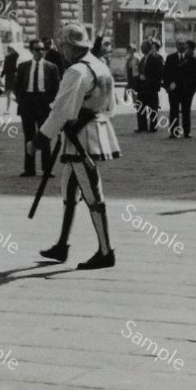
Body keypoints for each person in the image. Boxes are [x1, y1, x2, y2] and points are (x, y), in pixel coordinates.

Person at [32, 22, 122, 270]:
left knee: (93, 195)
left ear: (71, 46)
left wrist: (41, 138)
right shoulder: (101, 67)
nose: (62, 52)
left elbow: (61, 110)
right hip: (92, 132)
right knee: (69, 190)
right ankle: (62, 245)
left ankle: (106, 252)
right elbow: (110, 108)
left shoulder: (77, 72)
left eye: (64, 47)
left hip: (80, 138)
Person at [15, 39, 60, 176]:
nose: (40, 52)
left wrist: (49, 102)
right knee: (29, 137)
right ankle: (29, 169)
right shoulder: (23, 66)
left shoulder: (52, 67)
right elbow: (17, 86)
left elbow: (56, 88)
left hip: (43, 104)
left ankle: (47, 169)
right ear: (31, 51)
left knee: (45, 136)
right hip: (27, 103)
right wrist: (21, 101)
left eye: (42, 49)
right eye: (37, 49)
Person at [167, 40, 196, 138]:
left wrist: (192, 88)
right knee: (174, 111)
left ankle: (187, 132)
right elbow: (166, 73)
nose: (182, 46)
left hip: (187, 89)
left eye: (183, 45)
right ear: (176, 46)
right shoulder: (170, 58)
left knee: (186, 111)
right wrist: (168, 85)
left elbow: (195, 75)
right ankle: (174, 131)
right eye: (179, 44)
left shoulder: (191, 58)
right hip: (174, 89)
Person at [137, 39, 165, 133]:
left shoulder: (155, 58)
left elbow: (159, 72)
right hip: (142, 87)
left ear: (148, 48)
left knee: (153, 108)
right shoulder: (142, 59)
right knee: (141, 106)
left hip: (151, 86)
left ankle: (153, 127)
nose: (141, 48)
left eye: (143, 47)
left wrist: (153, 82)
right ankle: (142, 126)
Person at [2, 43, 21, 115]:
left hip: (11, 77)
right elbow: (5, 68)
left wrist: (1, 76)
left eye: (10, 49)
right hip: (12, 77)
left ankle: (8, 109)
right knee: (12, 94)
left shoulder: (14, 57)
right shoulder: (15, 56)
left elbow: (4, 68)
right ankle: (8, 109)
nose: (9, 50)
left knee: (10, 94)